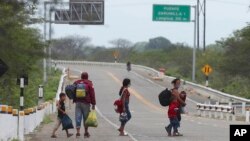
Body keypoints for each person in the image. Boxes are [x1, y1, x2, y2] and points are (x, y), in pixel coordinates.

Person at [73, 72, 96, 138]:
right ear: (87, 77)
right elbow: (92, 94)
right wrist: (93, 104)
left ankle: (78, 132)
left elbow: (72, 90)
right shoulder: (89, 83)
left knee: (78, 117)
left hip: (78, 103)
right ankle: (86, 132)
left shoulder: (77, 82)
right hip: (86, 103)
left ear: (81, 76)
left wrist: (74, 99)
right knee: (86, 118)